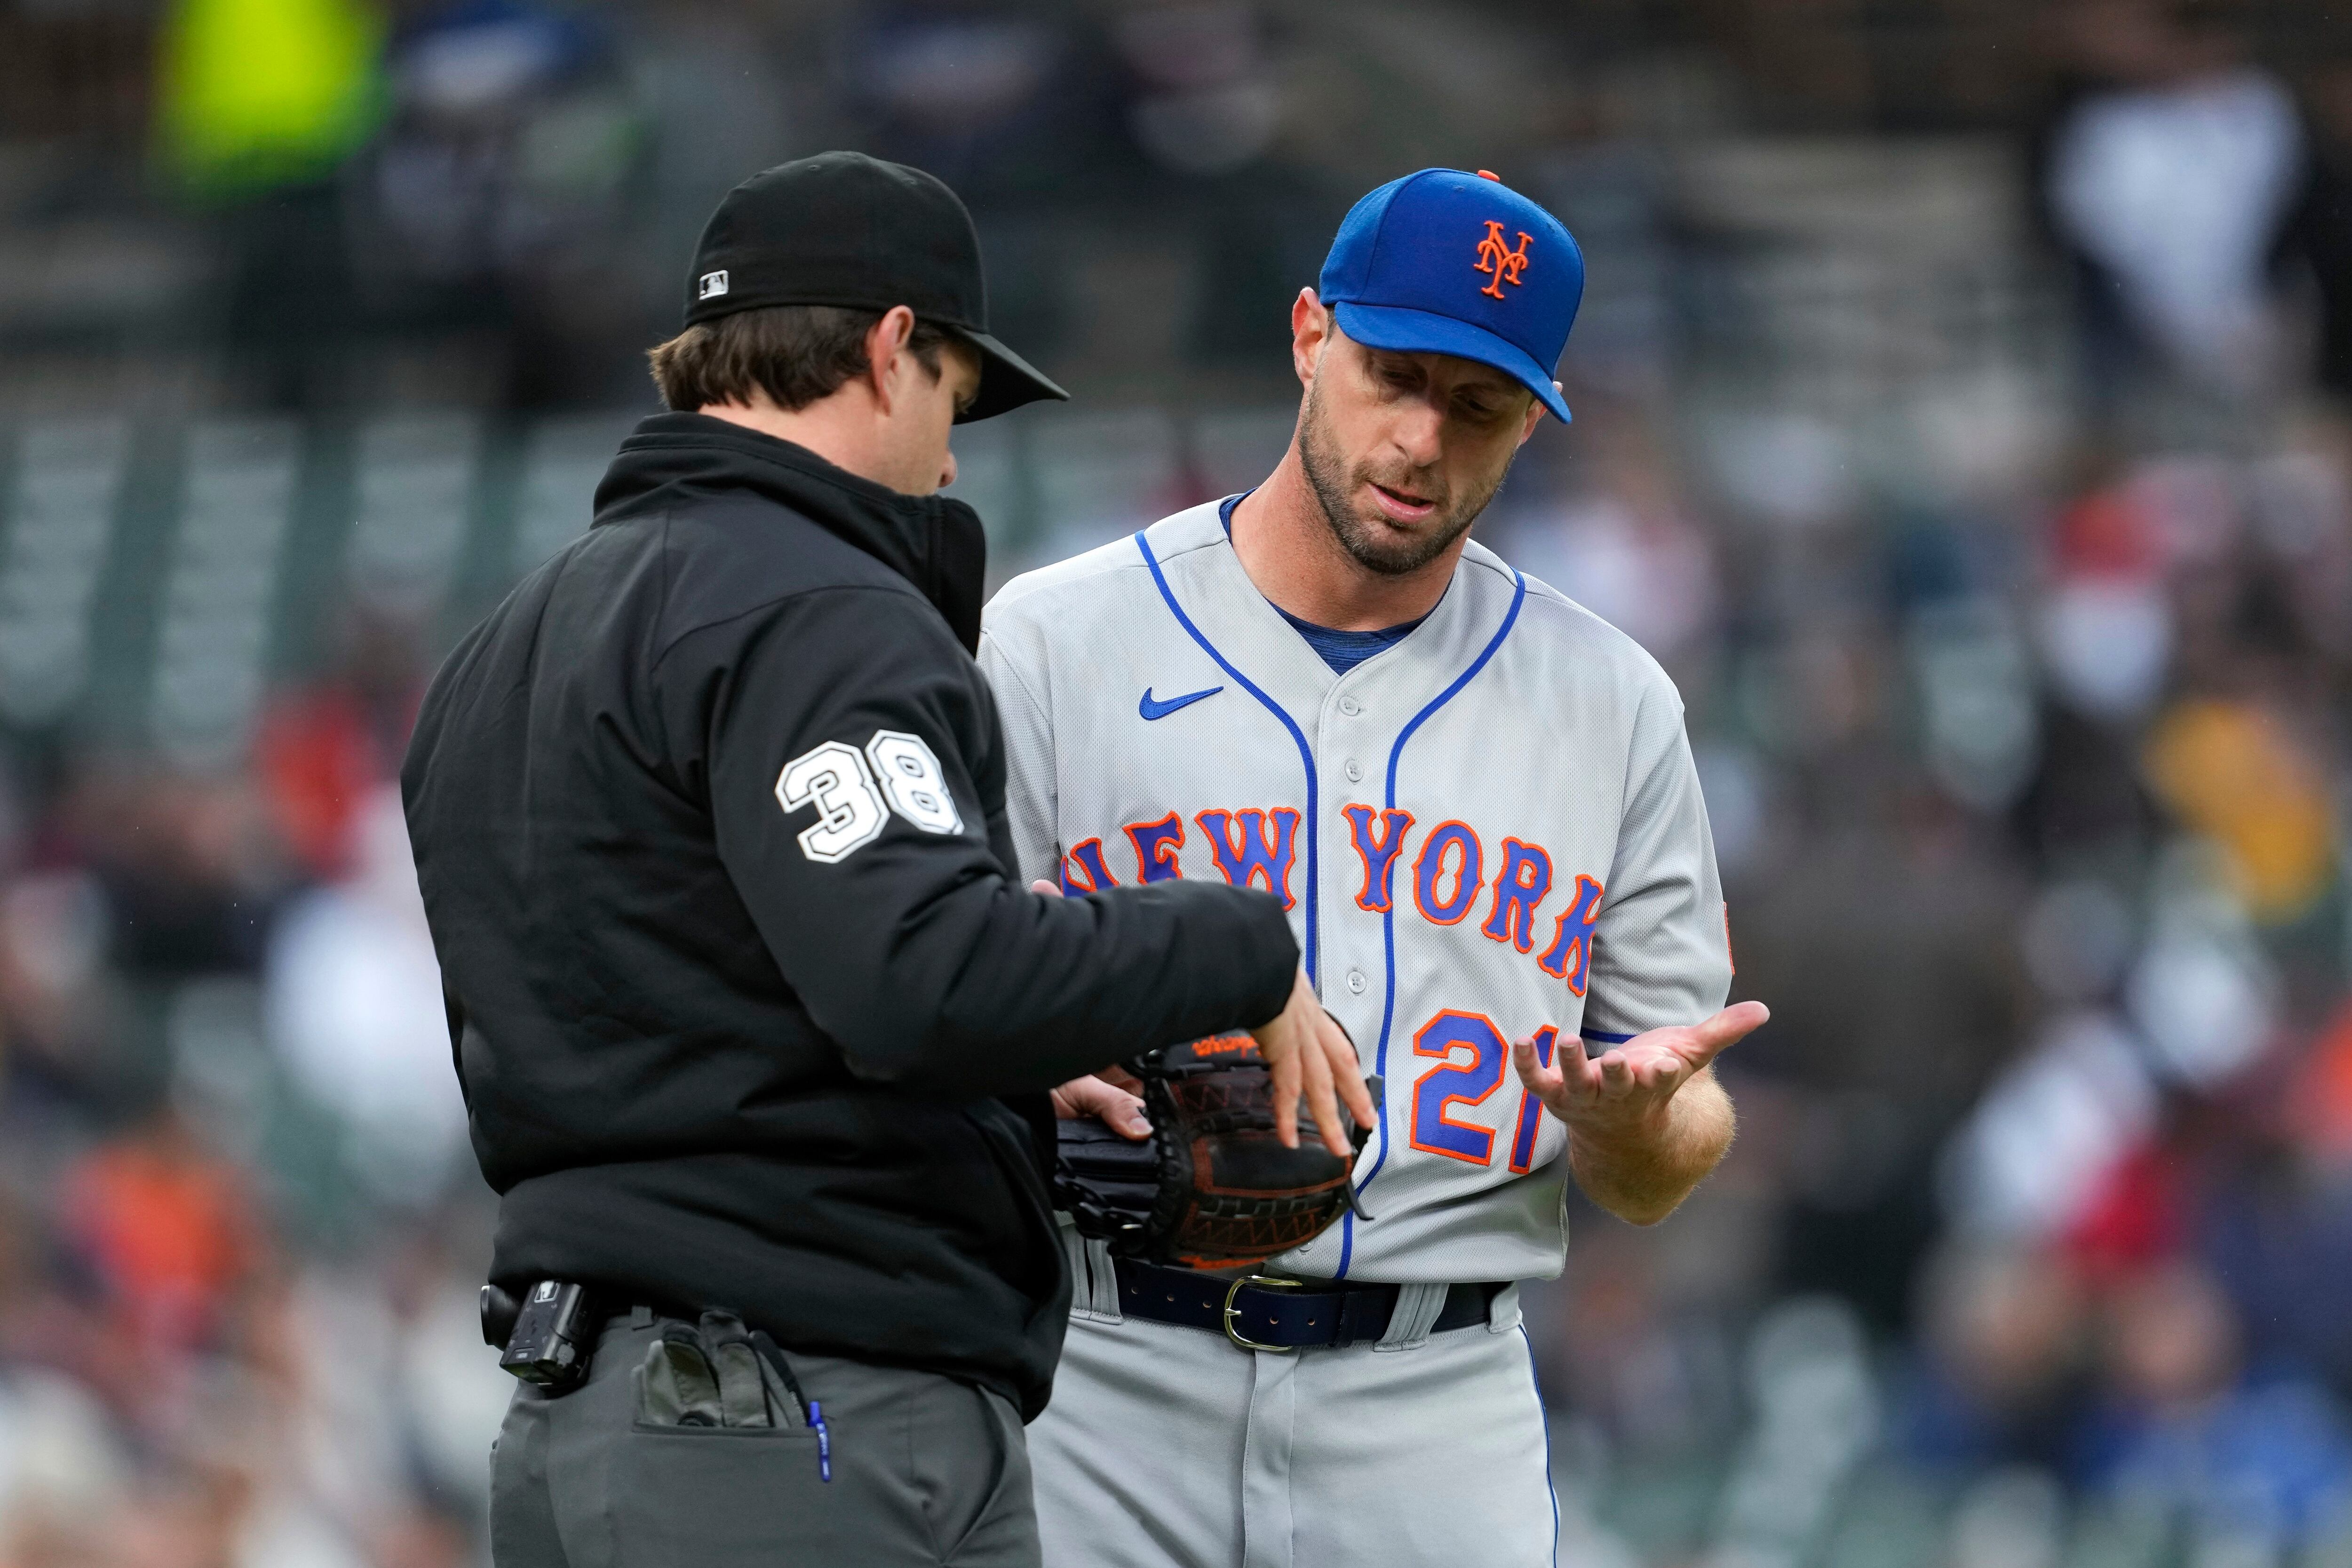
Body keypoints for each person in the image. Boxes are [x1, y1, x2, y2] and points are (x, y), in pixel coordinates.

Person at [402, 152, 1371, 1568]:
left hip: (589, 1416)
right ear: (890, 347)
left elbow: (693, 989)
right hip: (787, 1420)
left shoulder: (511, 641)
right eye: (954, 401)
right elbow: (918, 978)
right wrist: (1234, 946)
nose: (954, 455)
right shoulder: (814, 603)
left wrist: (1014, 1059)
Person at [978, 167, 1769, 1566]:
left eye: (1477, 406)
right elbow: (923, 993)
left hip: (1434, 1395)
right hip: (1101, 1367)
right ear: (1306, 334)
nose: (1419, 440)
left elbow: (1667, 1152)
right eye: (1391, 375)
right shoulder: (1053, 641)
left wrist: (1640, 1127)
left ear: (1534, 415)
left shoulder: (1613, 701)